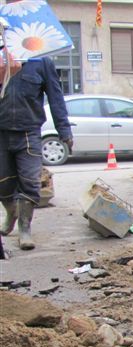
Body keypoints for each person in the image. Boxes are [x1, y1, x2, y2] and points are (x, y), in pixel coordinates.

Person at [0, 52, 72, 250]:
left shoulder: (41, 62)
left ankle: (25, 228)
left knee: (30, 183)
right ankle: (12, 213)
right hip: (1, 133)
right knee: (3, 183)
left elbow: (56, 97)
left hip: (28, 133)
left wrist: (64, 131)